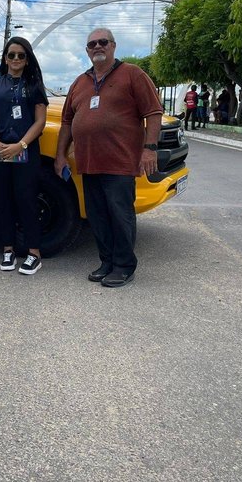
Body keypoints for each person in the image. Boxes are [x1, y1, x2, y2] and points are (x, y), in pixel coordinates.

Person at [54, 28, 161, 288]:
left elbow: (153, 112)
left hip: (120, 163)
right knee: (97, 216)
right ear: (87, 50)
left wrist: (149, 149)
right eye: (92, 44)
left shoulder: (133, 74)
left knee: (120, 215)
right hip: (89, 163)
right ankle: (107, 261)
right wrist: (60, 156)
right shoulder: (79, 82)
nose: (97, 47)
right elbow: (67, 122)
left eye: (103, 42)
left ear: (113, 45)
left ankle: (124, 266)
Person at [0, 36, 47, 275]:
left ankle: (34, 253)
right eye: (11, 54)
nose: (16, 59)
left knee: (26, 199)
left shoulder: (35, 85)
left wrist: (21, 144)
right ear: (5, 58)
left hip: (25, 151)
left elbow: (40, 121)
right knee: (2, 199)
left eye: (21, 55)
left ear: (27, 60)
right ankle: (8, 249)